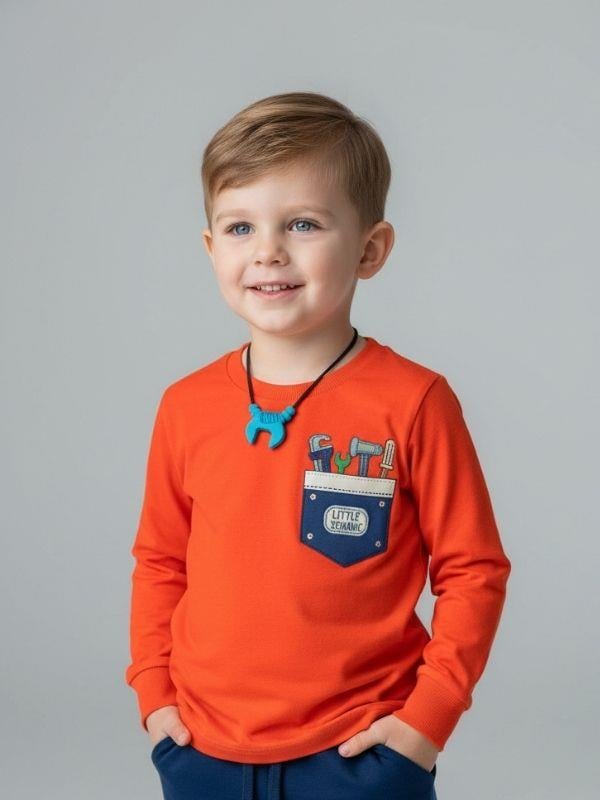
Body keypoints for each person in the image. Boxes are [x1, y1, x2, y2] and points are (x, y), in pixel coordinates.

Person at [125, 90, 511, 800]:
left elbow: (473, 571)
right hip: (202, 750)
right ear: (211, 248)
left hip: (363, 751)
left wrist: (425, 724)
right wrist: (154, 696)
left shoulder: (415, 402)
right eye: (240, 226)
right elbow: (160, 562)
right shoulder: (185, 405)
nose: (267, 250)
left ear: (370, 249)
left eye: (302, 223)